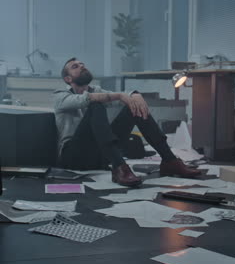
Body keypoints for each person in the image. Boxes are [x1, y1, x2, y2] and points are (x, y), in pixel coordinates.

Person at [53, 58, 201, 187]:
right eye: (75, 67)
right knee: (96, 104)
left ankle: (170, 161)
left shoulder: (96, 90)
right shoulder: (60, 96)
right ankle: (119, 167)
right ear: (68, 79)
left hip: (99, 156)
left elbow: (114, 97)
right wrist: (119, 95)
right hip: (74, 156)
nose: (82, 66)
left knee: (133, 108)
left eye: (82, 64)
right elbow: (87, 99)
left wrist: (134, 95)